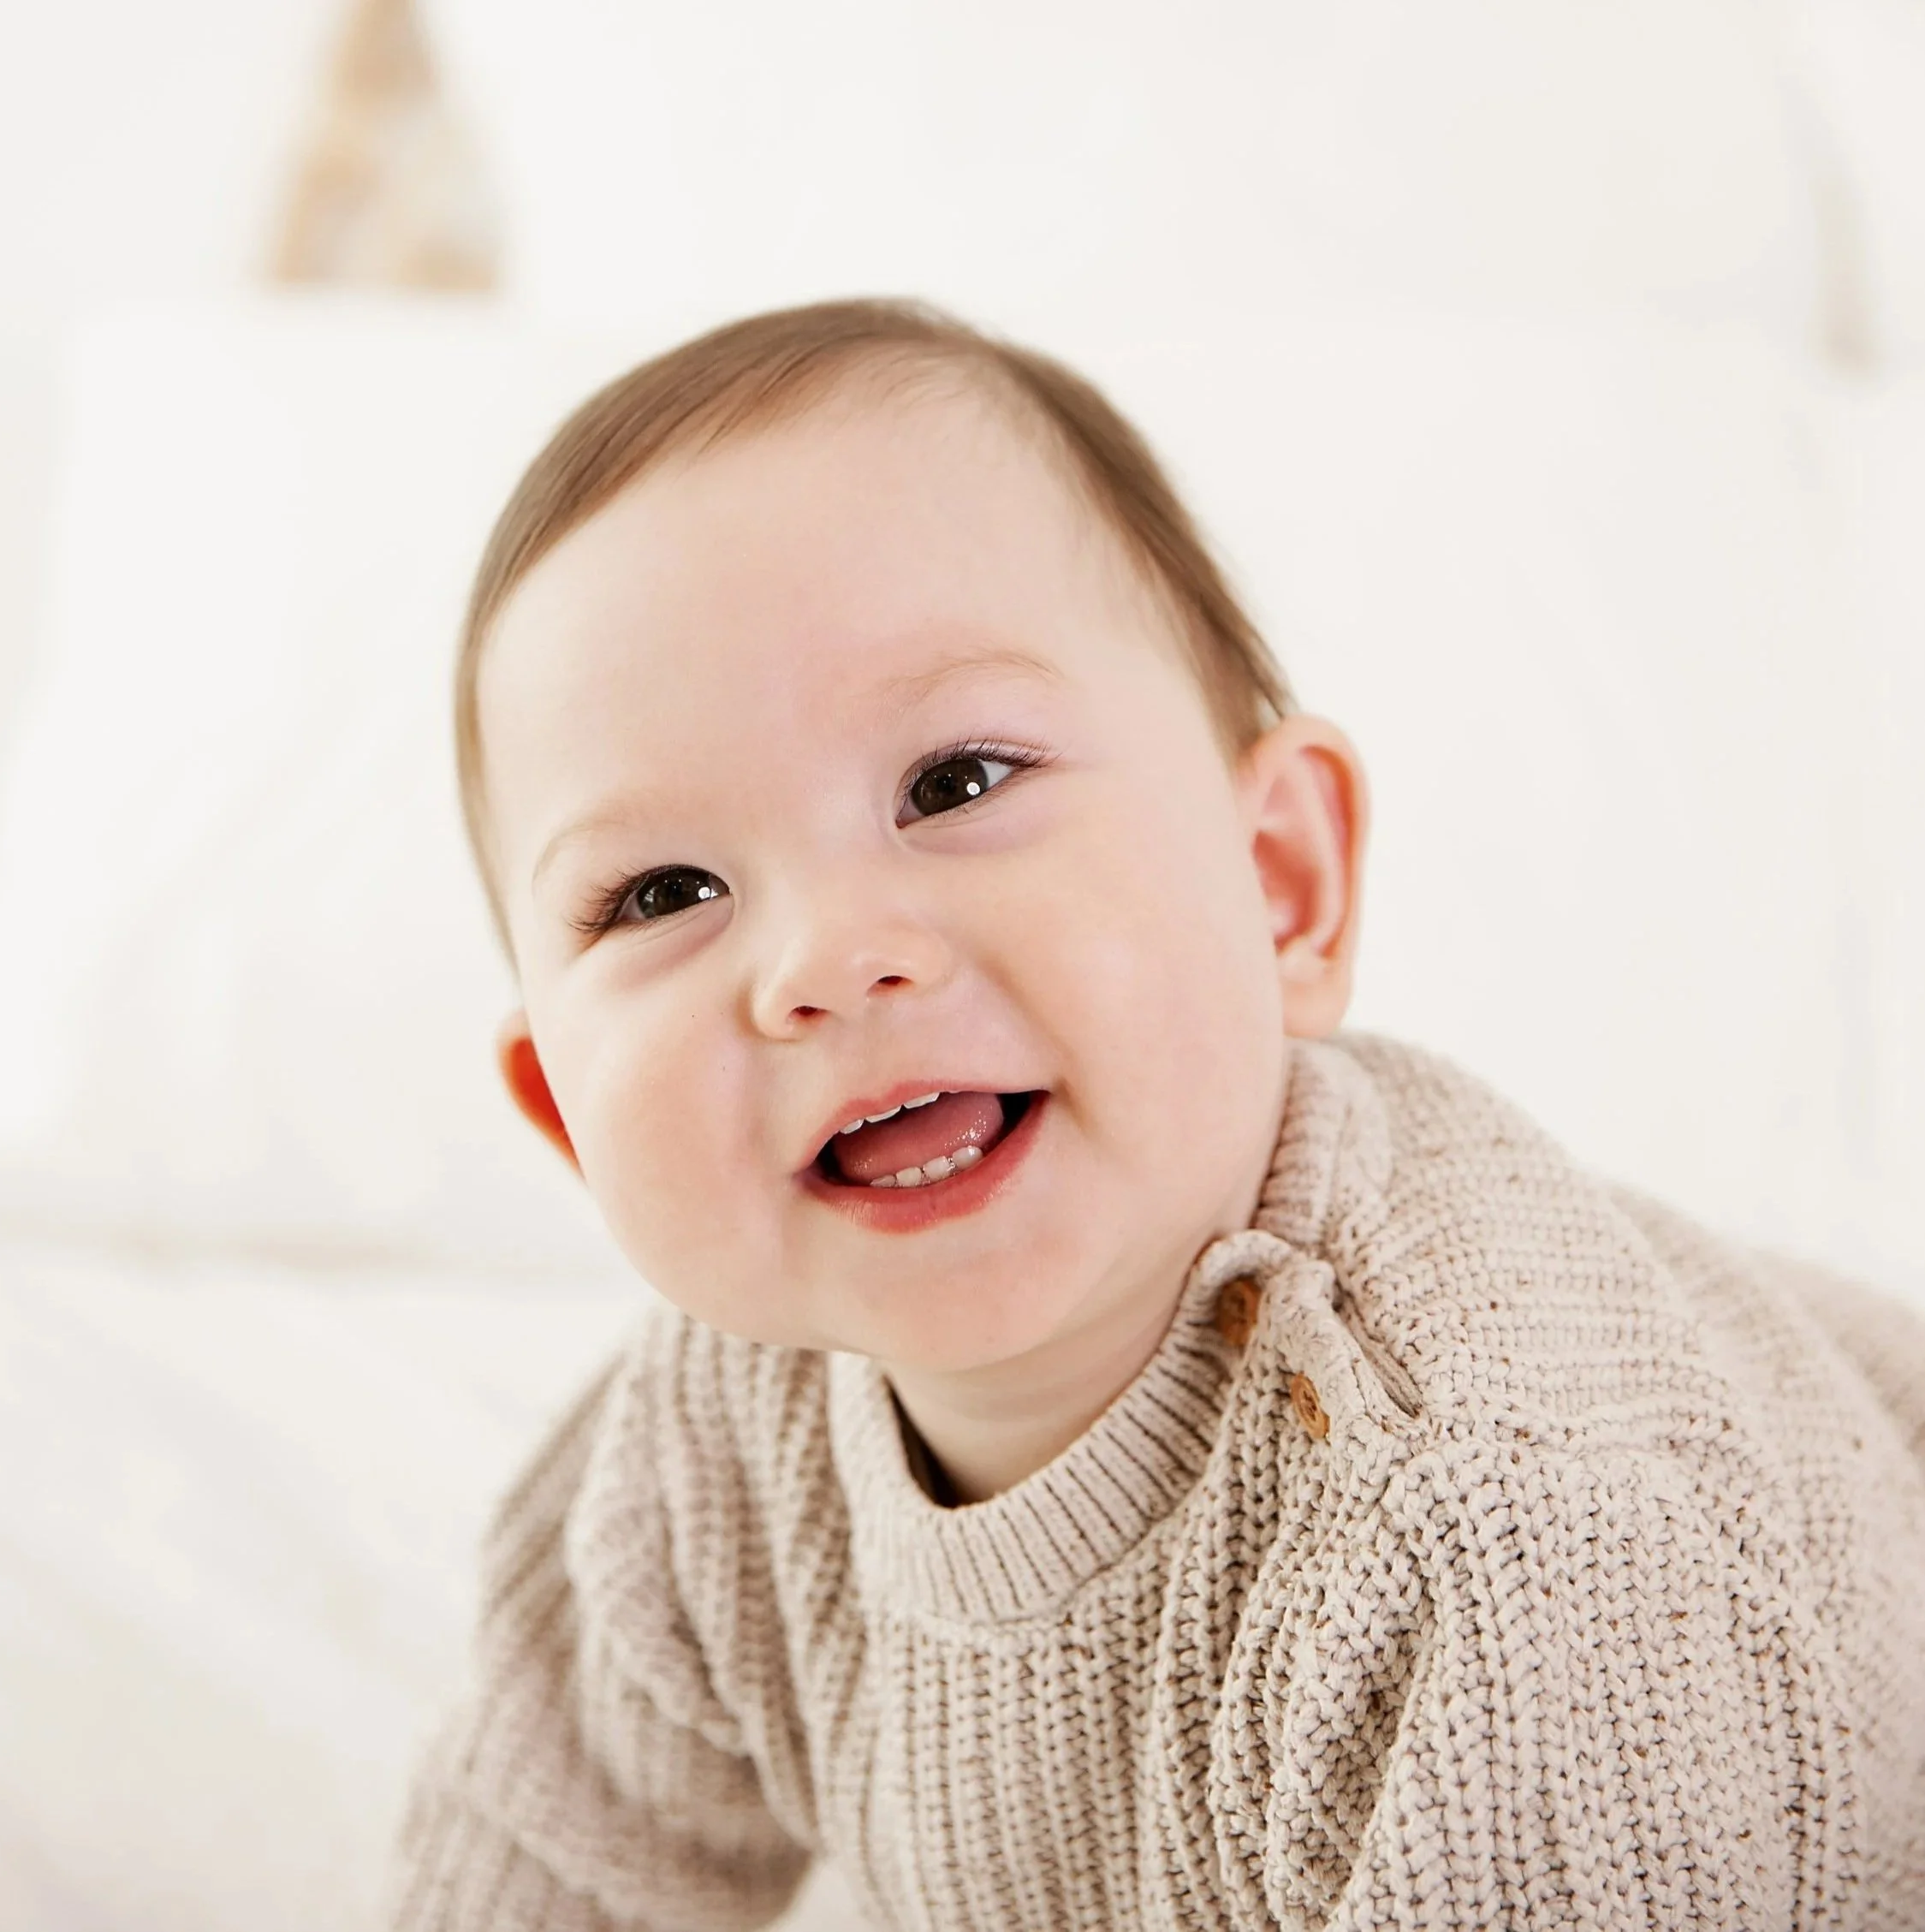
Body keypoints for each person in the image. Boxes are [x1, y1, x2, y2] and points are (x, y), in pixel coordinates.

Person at [387, 299, 1925, 1929]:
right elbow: (547, 1859)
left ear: (1281, 888)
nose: (827, 961)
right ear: (565, 1117)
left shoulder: (1495, 1528)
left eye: (955, 785)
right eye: (664, 890)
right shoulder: (711, 1453)